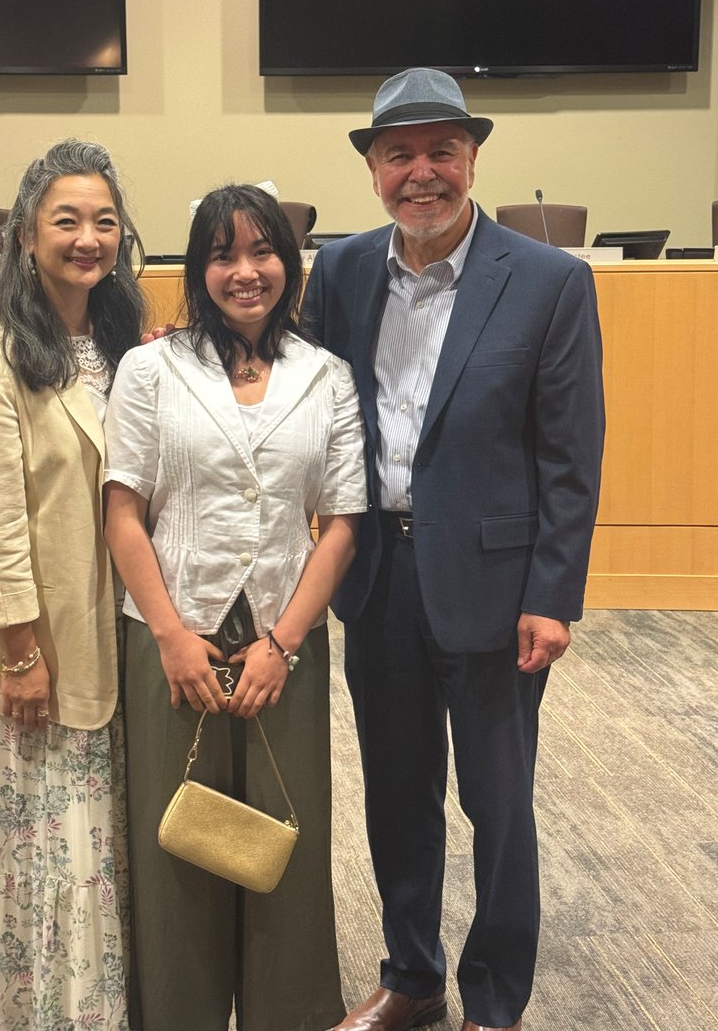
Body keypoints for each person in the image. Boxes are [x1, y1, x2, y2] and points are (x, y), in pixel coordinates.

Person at [301, 69, 605, 1031]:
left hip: (497, 586)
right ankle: (414, 976)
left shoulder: (550, 279)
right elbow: (303, 408)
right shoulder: (341, 272)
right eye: (400, 155)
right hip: (377, 580)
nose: (421, 173)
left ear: (473, 158)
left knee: (498, 804)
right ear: (372, 168)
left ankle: (496, 999)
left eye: (442, 152)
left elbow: (570, 454)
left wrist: (553, 595)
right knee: (397, 793)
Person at [102, 184, 366, 1031]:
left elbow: (341, 525)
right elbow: (123, 514)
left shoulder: (326, 377)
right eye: (223, 254)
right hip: (171, 638)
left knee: (282, 832)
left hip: (280, 643)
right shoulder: (151, 368)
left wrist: (283, 644)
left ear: (291, 266)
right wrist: (174, 637)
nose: (245, 272)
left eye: (264, 253)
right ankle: (178, 1012)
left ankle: (284, 1013)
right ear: (198, 266)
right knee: (177, 836)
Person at [0, 139, 145, 1030]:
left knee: (86, 842)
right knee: (37, 846)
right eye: (67, 220)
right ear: (24, 235)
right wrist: (19, 654)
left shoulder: (120, 344)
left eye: (105, 221)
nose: (89, 238)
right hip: (30, 653)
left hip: (104, 632)